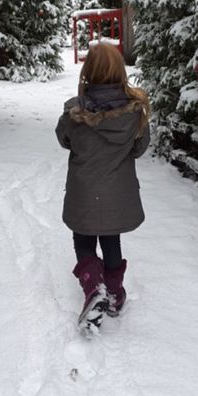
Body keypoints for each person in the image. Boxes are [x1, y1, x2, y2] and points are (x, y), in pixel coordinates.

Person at [55, 42, 151, 329]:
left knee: (83, 239)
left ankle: (93, 287)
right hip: (117, 192)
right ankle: (114, 293)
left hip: (83, 190)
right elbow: (139, 147)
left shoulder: (75, 113)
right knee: (111, 238)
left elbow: (64, 140)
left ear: (88, 73)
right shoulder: (134, 112)